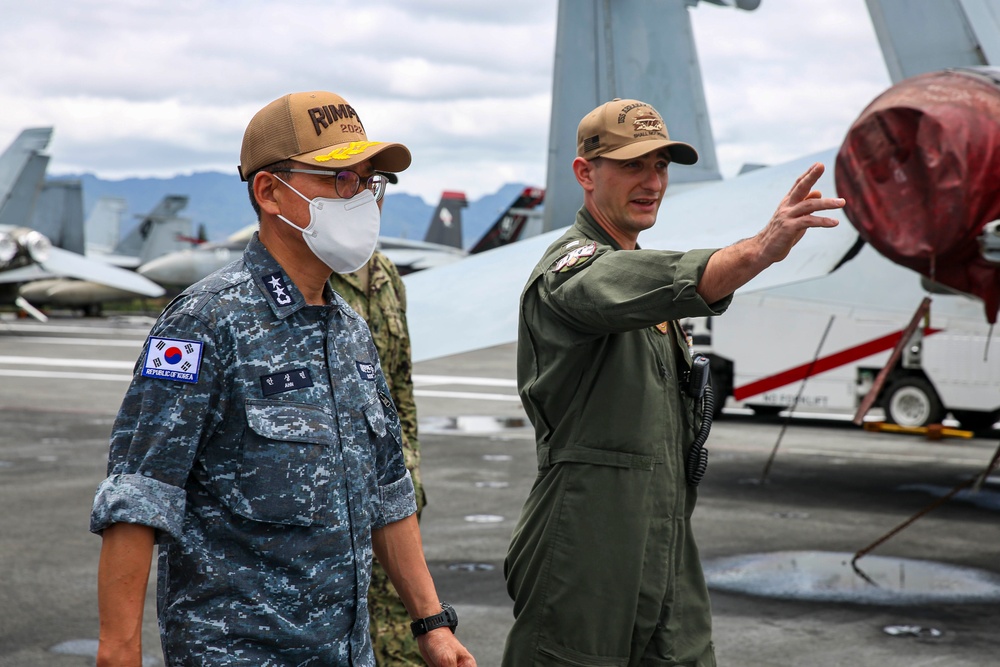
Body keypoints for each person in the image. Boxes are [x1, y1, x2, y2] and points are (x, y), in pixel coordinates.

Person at [90, 90, 475, 667]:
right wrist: (118, 651)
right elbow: (141, 496)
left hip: (347, 652)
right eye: (338, 179)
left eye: (369, 181)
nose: (361, 198)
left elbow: (389, 493)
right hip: (239, 652)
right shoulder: (204, 322)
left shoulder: (349, 329)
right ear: (270, 192)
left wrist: (432, 623)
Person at [501, 98, 845, 666]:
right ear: (586, 174)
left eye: (661, 166)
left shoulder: (642, 281)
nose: (653, 181)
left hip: (665, 535)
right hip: (587, 539)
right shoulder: (573, 270)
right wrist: (761, 250)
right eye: (633, 165)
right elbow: (633, 280)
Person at [329, 172, 428, 666]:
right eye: (350, 183)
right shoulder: (315, 276)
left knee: (403, 631)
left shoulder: (388, 276)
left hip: (392, 498)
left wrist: (409, 463)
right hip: (332, 504)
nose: (367, 197)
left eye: (375, 185)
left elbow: (401, 382)